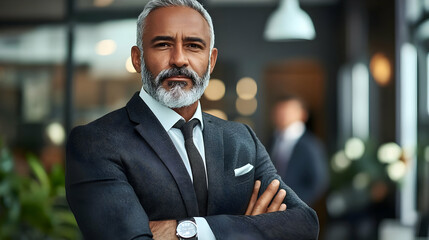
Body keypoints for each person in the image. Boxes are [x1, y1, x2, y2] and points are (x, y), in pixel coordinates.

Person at [65, 1, 319, 239]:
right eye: (163, 44)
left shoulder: (241, 139)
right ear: (137, 58)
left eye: (193, 46)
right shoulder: (95, 143)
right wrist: (251, 227)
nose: (179, 59)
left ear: (211, 60)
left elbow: (304, 224)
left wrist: (190, 230)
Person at [270, 95, 329, 207]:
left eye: (288, 111)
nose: (283, 115)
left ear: (302, 114)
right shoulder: (272, 140)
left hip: (295, 208)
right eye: (280, 111)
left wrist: (294, 202)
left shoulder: (311, 144)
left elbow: (319, 182)